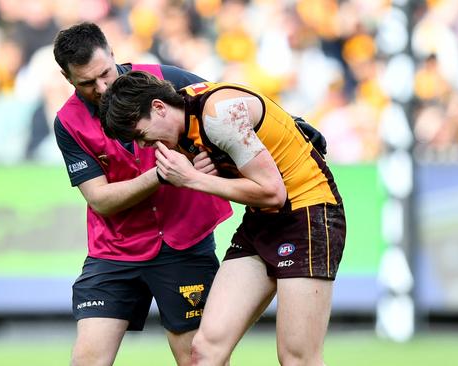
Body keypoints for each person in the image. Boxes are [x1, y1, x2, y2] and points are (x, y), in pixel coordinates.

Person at [100, 71, 346, 366]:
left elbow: (273, 193)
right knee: (204, 350)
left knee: (297, 358)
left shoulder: (219, 116)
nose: (144, 146)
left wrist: (192, 178)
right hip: (261, 220)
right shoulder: (181, 122)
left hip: (308, 213)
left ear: (159, 107)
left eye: (141, 135)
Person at [52, 22, 234, 366]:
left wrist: (290, 124)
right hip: (115, 250)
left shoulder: (166, 80)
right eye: (87, 83)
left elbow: (228, 105)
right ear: (67, 78)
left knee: (200, 359)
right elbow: (100, 199)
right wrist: (165, 174)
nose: (103, 87)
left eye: (105, 73)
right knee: (86, 361)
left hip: (184, 243)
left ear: (113, 54)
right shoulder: (68, 122)